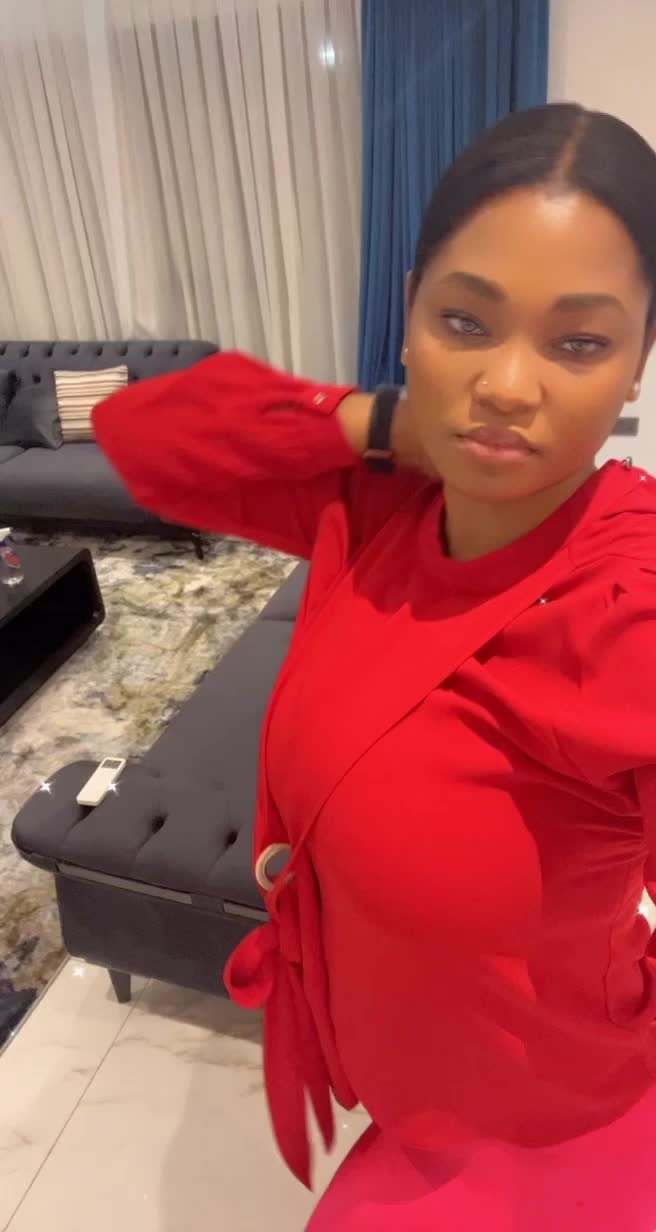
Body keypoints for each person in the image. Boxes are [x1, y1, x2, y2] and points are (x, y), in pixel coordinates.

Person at [94, 102, 656, 1229]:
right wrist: (383, 422)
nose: (508, 385)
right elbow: (143, 439)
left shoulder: (624, 604)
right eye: (466, 320)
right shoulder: (381, 505)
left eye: (577, 343)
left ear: (637, 359)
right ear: (407, 315)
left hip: (553, 1122)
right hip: (409, 1089)